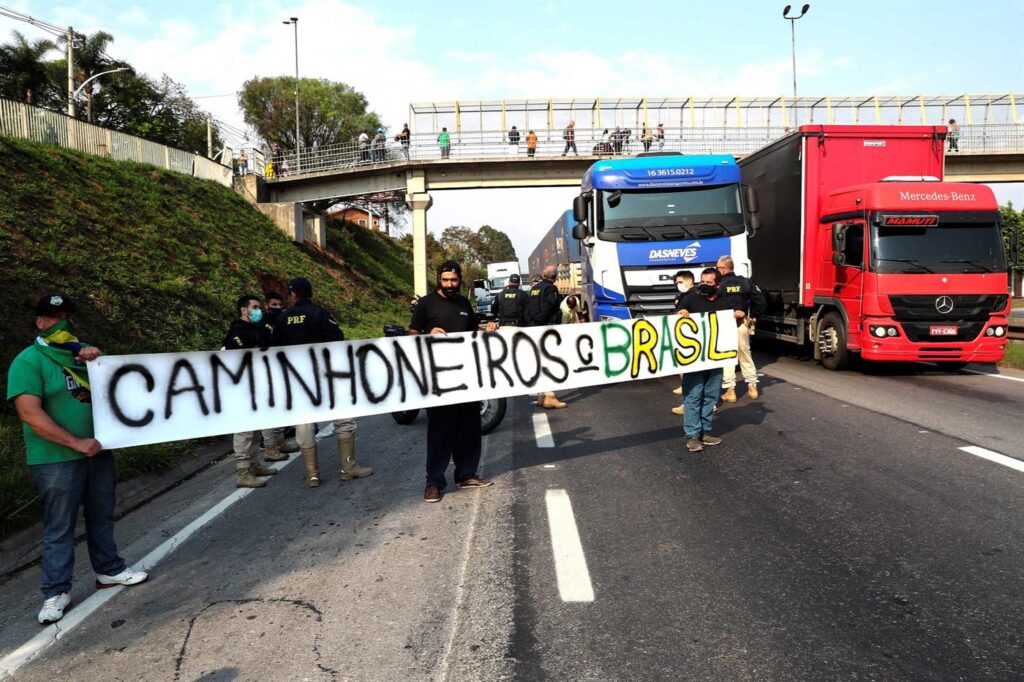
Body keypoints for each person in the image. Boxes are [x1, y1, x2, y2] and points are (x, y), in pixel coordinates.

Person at [7, 294, 148, 625]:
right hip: (55, 458)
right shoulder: (28, 361)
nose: (63, 323)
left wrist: (96, 363)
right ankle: (55, 592)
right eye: (55, 318)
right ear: (40, 322)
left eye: (68, 316)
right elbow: (29, 413)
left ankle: (109, 570)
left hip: (97, 451)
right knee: (60, 526)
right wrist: (75, 442)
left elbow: (115, 392)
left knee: (102, 514)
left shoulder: (85, 355)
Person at [409, 261, 497, 503]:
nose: (449, 285)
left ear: (460, 280)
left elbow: (471, 335)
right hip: (438, 380)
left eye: (454, 280)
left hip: (466, 377)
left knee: (469, 428)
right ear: (439, 279)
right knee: (440, 431)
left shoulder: (464, 303)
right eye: (445, 280)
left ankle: (466, 474)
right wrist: (428, 334)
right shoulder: (426, 304)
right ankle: (434, 482)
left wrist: (486, 331)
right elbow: (412, 335)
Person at [271, 278, 372, 487]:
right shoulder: (321, 313)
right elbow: (337, 337)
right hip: (328, 376)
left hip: (298, 380)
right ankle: (348, 467)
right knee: (343, 420)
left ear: (293, 295)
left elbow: (272, 348)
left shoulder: (283, 318)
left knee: (304, 424)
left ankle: (313, 474)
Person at [675, 268, 742, 452]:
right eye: (702, 281)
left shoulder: (725, 302)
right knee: (693, 394)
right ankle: (692, 435)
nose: (703, 285)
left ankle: (705, 432)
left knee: (711, 396)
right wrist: (681, 313)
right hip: (694, 358)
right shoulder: (690, 298)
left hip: (715, 358)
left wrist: (738, 317)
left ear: (718, 285)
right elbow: (676, 317)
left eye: (708, 283)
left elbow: (730, 328)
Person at [222, 295, 283, 488]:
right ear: (243, 310)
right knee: (244, 429)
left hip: (256, 384)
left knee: (256, 426)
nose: (259, 311)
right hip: (241, 387)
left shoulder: (256, 329)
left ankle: (254, 464)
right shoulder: (236, 332)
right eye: (255, 307)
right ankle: (243, 472)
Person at [716, 255, 766, 402]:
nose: (717, 270)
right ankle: (752, 388)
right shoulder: (745, 282)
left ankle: (730, 391)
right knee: (745, 354)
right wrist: (754, 316)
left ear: (723, 269)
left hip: (724, 324)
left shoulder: (718, 284)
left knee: (727, 357)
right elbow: (761, 301)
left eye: (718, 268)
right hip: (742, 323)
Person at [526, 265, 566, 409]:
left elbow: (528, 309)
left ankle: (541, 396)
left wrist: (533, 324)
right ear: (555, 277)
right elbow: (549, 308)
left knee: (540, 363)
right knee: (551, 362)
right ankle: (549, 396)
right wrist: (541, 321)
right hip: (547, 329)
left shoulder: (534, 289)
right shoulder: (551, 289)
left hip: (534, 329)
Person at [670, 270, 695, 414]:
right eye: (676, 283)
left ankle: (689, 405)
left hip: (691, 338)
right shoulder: (683, 295)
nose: (678, 285)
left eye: (680, 282)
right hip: (684, 336)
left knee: (692, 374)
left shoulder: (694, 296)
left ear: (690, 280)